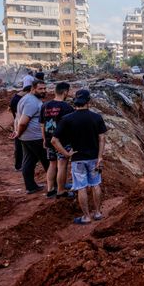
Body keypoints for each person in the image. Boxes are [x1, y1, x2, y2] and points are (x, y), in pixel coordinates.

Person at [52, 89, 107, 225]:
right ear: (88, 101)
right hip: (94, 158)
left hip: (78, 159)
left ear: (75, 101)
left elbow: (54, 140)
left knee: (81, 186)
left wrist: (66, 154)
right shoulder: (96, 117)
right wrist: (100, 157)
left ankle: (86, 217)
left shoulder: (67, 119)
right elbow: (102, 138)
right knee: (95, 184)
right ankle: (98, 213)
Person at [11, 80, 49, 194]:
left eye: (44, 89)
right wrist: (19, 132)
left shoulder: (26, 98)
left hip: (26, 137)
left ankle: (30, 186)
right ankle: (56, 186)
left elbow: (17, 118)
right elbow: (22, 122)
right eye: (40, 89)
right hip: (35, 137)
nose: (43, 91)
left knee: (29, 161)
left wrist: (18, 132)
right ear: (33, 89)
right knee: (48, 161)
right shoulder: (32, 102)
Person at [40, 82, 75, 198]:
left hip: (49, 139)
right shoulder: (67, 107)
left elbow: (42, 124)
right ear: (65, 92)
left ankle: (50, 189)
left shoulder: (45, 106)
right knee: (62, 165)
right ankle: (61, 190)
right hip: (62, 141)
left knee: (52, 164)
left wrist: (44, 139)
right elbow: (71, 127)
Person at [8, 85, 30, 171]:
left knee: (21, 146)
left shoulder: (16, 97)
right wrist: (16, 129)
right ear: (28, 91)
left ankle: (21, 164)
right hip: (19, 124)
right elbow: (18, 116)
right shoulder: (18, 100)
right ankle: (19, 165)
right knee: (20, 146)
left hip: (18, 123)